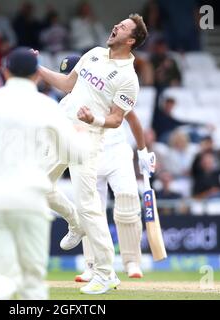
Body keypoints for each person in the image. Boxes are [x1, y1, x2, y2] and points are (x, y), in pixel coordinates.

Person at [0, 48, 86, 300]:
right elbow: (75, 154)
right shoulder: (47, 106)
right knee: (32, 283)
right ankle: (3, 288)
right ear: (36, 75)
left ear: (5, 71)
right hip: (30, 200)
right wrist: (80, 134)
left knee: (2, 274)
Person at [34, 14, 155, 294]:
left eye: (123, 27)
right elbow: (66, 84)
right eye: (118, 23)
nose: (116, 26)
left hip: (88, 138)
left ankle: (105, 273)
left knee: (90, 205)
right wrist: (36, 67)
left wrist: (93, 120)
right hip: (62, 128)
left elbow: (116, 120)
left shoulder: (128, 79)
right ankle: (75, 222)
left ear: (131, 40)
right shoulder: (95, 53)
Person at [57, 55, 154, 282]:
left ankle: (131, 261)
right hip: (88, 157)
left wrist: (142, 152)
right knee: (91, 209)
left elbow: (133, 121)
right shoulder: (64, 105)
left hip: (117, 152)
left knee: (128, 198)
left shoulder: (104, 89)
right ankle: (92, 265)